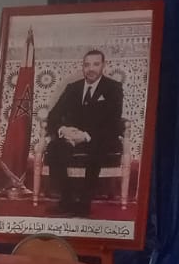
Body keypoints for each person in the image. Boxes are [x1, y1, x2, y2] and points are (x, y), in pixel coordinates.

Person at [43, 49, 124, 216]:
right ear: (82, 67)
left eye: (95, 64)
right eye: (87, 65)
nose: (91, 68)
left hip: (99, 137)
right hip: (72, 137)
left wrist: (86, 136)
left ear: (103, 66)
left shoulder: (113, 88)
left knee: (97, 148)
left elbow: (113, 121)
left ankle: (84, 204)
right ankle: (66, 201)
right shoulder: (73, 88)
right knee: (54, 148)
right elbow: (53, 115)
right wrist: (63, 130)